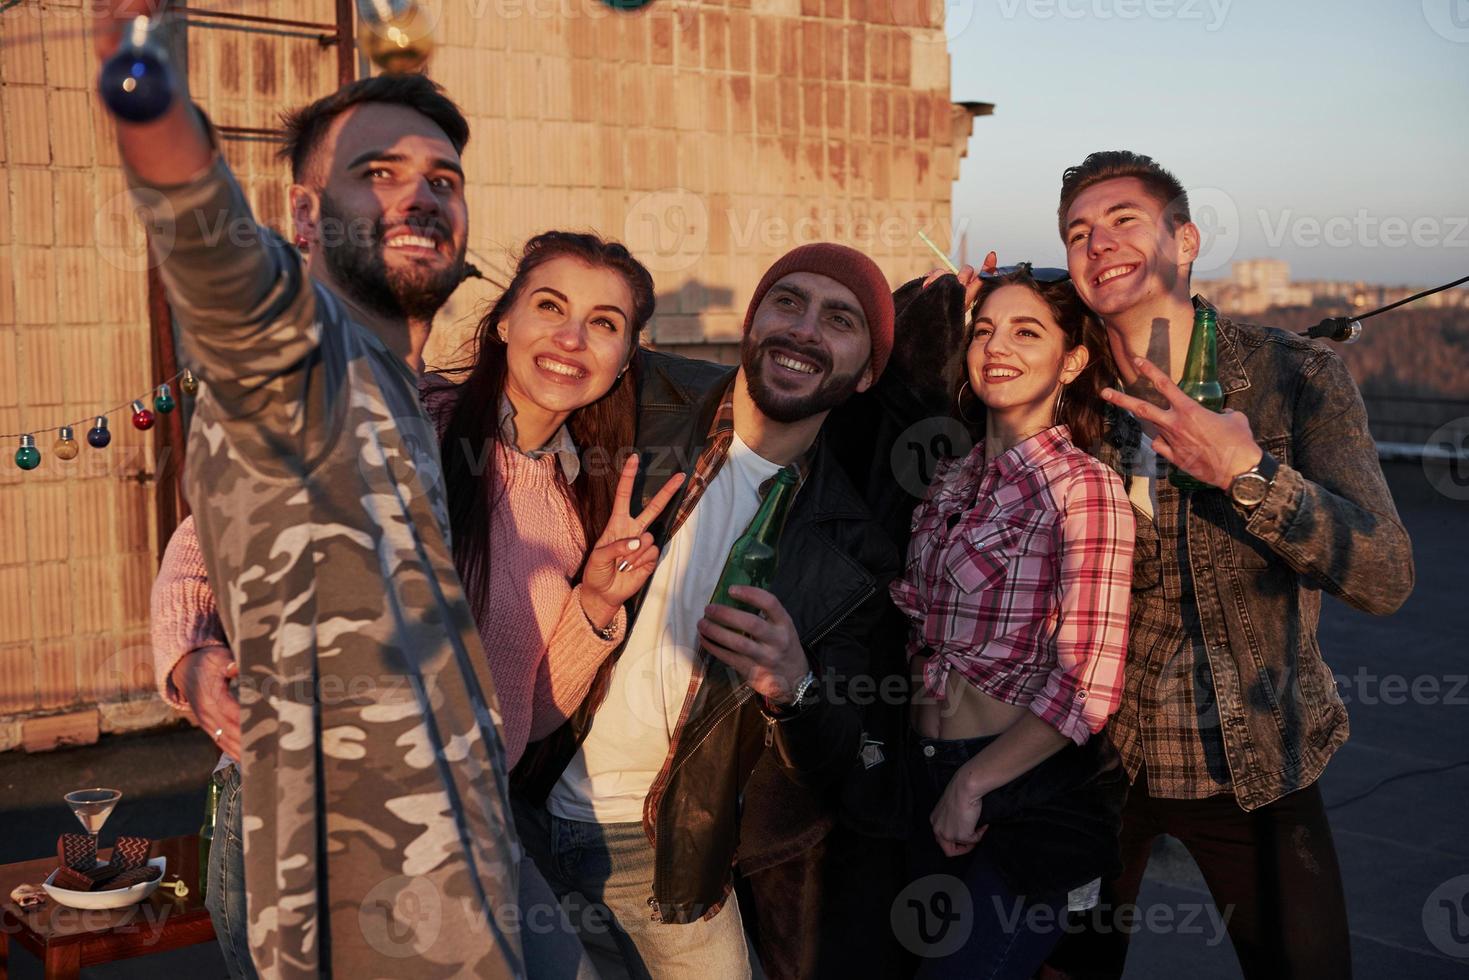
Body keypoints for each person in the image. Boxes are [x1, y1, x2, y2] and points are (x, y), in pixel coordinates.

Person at [99, 0, 521, 965]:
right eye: (377, 175)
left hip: (464, 864)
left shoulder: (413, 390)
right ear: (300, 214)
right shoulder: (292, 349)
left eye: (442, 179)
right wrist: (142, 58)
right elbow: (206, 242)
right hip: (350, 898)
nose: (419, 197)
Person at [151, 231, 684, 977]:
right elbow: (208, 543)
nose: (570, 337)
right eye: (550, 305)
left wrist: (594, 603)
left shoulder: (574, 506)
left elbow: (525, 711)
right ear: (503, 322)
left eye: (602, 322)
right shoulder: (404, 422)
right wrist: (192, 656)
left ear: (626, 356)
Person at [1039, 151, 1416, 979]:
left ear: (1187, 240)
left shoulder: (1292, 375)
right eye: (1077, 232)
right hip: (1090, 756)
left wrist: (1249, 477)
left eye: (1123, 221)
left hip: (1254, 761)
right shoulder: (1056, 383)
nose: (1097, 244)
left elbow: (1385, 575)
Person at [511, 243, 903, 979]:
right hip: (519, 802)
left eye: (839, 319)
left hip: (665, 854)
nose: (804, 329)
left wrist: (793, 684)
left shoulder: (853, 552)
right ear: (751, 323)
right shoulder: (642, 396)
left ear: (867, 373)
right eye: (787, 302)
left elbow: (844, 760)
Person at [890, 265, 1134, 978]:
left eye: (1027, 331)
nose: (997, 346)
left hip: (1010, 788)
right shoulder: (952, 478)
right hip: (921, 776)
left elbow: (1086, 683)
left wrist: (972, 787)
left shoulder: (1084, 490)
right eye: (985, 329)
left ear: (1073, 358)